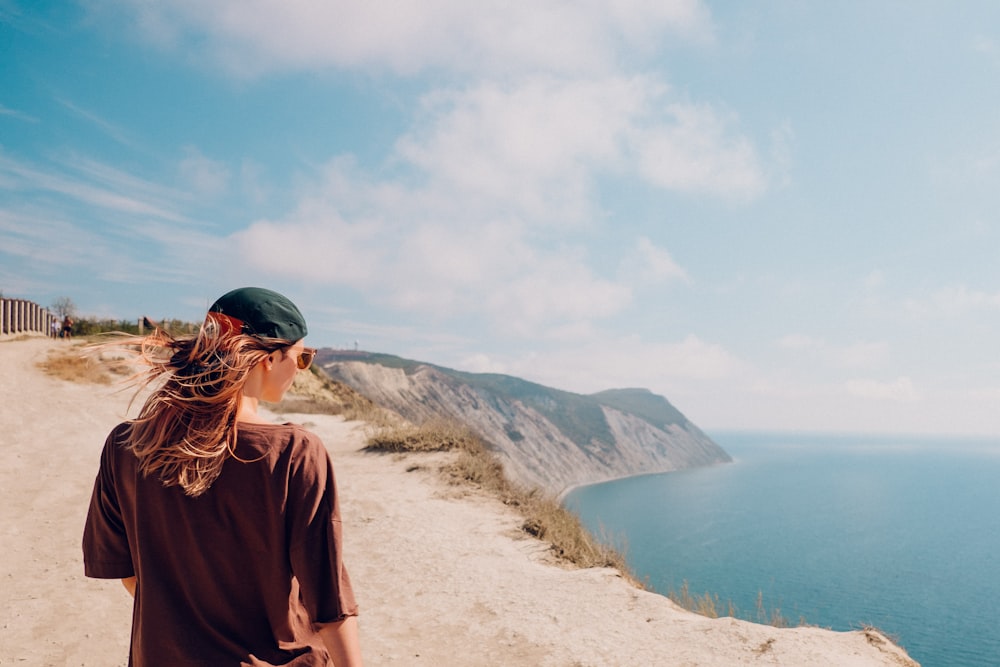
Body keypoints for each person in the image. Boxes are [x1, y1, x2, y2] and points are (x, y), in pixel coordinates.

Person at [82, 287, 363, 666]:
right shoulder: (293, 454)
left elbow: (130, 576)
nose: (301, 369)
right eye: (302, 357)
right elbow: (329, 605)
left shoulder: (127, 445)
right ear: (267, 359)